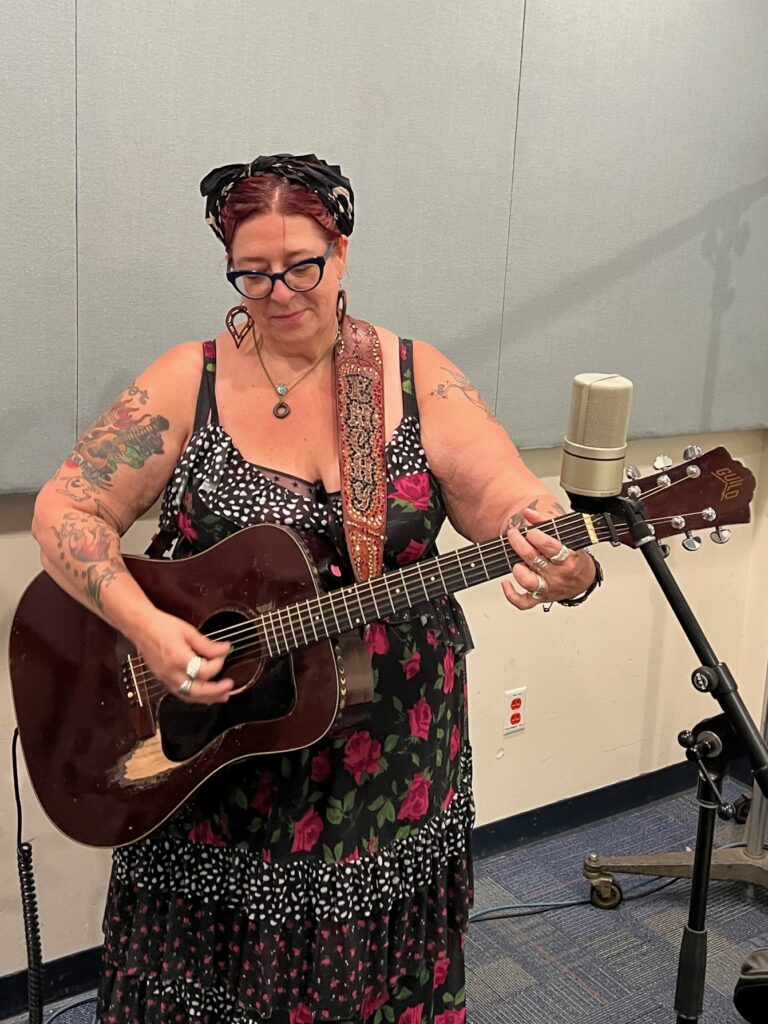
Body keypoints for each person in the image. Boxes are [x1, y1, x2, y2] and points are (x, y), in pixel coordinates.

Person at [31, 153, 601, 1024]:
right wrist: (144, 626)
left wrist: (559, 554)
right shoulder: (192, 379)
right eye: (252, 272)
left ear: (343, 249)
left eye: (304, 265)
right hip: (221, 761)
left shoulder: (415, 378)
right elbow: (66, 507)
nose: (281, 290)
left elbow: (505, 496)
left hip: (386, 759)